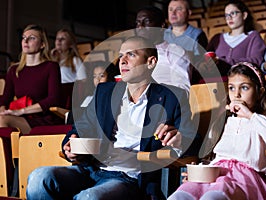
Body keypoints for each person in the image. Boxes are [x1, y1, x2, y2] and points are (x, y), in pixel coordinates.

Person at [26, 36, 199, 199]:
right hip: (91, 168)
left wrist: (178, 139)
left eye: (131, 55)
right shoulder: (104, 92)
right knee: (38, 177)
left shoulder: (172, 97)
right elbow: (79, 129)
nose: (122, 61)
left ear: (151, 62)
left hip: (129, 178)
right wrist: (70, 146)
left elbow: (193, 143)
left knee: (89, 197)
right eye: (121, 55)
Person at [167, 62, 266, 200]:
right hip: (216, 174)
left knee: (212, 197)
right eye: (232, 88)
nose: (237, 95)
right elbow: (214, 157)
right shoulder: (224, 119)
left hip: (246, 178)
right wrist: (199, 172)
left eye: (244, 88)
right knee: (179, 196)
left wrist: (250, 116)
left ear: (259, 92)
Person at [0, 24, 63, 134]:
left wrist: (21, 111)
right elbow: (5, 99)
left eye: (32, 38)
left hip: (43, 118)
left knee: (3, 120)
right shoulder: (14, 70)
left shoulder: (51, 67)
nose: (26, 41)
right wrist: (2, 110)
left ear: (42, 44)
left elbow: (53, 99)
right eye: (24, 38)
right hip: (21, 117)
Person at [135, 5, 192, 92]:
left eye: (146, 22)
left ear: (162, 26)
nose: (140, 27)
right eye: (138, 23)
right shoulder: (131, 55)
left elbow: (183, 90)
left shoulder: (175, 52)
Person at [206, 0, 266, 77]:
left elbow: (256, 61)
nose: (229, 18)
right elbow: (204, 61)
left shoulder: (253, 36)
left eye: (233, 13)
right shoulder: (217, 38)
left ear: (244, 15)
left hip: (242, 79)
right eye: (226, 15)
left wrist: (224, 62)